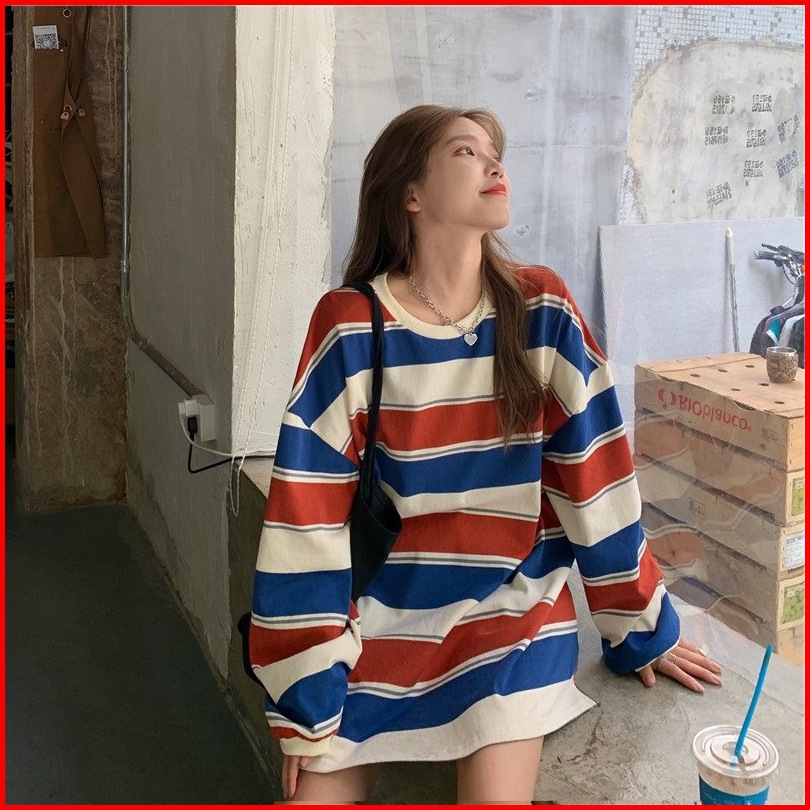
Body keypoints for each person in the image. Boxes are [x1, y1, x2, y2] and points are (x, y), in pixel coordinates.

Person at [248, 104, 722, 805]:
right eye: (466, 152)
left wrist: (639, 628)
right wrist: (305, 697)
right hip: (385, 620)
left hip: (513, 614)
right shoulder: (351, 325)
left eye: (495, 152)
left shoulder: (542, 311)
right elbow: (306, 514)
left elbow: (596, 481)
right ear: (410, 193)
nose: (496, 164)